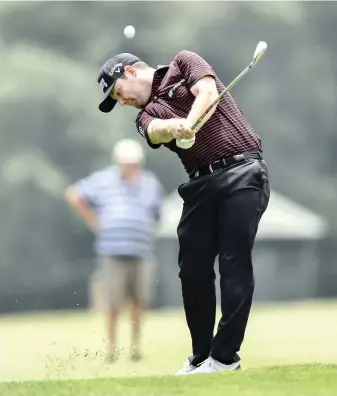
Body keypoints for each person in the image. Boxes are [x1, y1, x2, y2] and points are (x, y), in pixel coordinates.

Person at [96, 50, 270, 374]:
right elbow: (155, 131)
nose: (121, 101)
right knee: (192, 270)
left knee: (234, 262)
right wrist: (177, 128)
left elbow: (207, 92)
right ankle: (202, 356)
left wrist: (190, 121)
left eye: (117, 92)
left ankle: (225, 357)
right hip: (200, 185)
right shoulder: (144, 115)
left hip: (242, 172)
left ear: (131, 71)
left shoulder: (184, 62)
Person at [65, 138, 164, 363]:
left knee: (140, 301)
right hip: (112, 249)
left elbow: (156, 215)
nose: (129, 166)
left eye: (133, 162)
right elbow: (74, 194)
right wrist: (93, 220)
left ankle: (135, 348)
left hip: (141, 250)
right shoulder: (104, 180)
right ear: (118, 162)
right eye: (126, 162)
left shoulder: (150, 183)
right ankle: (111, 348)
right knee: (112, 302)